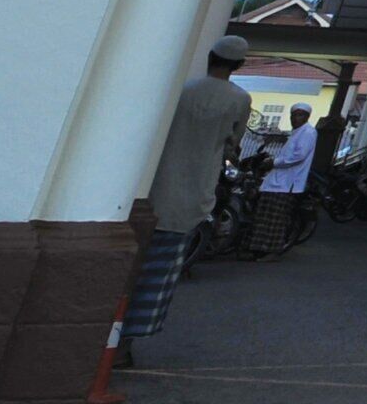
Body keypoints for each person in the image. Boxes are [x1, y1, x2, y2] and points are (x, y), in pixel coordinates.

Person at [121, 38, 253, 353]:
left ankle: (111, 342)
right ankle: (123, 346)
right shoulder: (239, 99)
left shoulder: (183, 89)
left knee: (131, 269)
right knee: (158, 275)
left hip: (151, 186)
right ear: (238, 66)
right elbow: (234, 143)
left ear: (209, 57)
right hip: (192, 195)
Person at [241, 104, 316, 254]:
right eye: (293, 115)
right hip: (276, 181)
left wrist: (274, 162)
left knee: (275, 221)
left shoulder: (308, 132)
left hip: (287, 183)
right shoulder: (296, 133)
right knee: (264, 217)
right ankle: (256, 248)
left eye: (300, 115)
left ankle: (272, 252)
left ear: (307, 117)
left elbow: (298, 156)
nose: (295, 118)